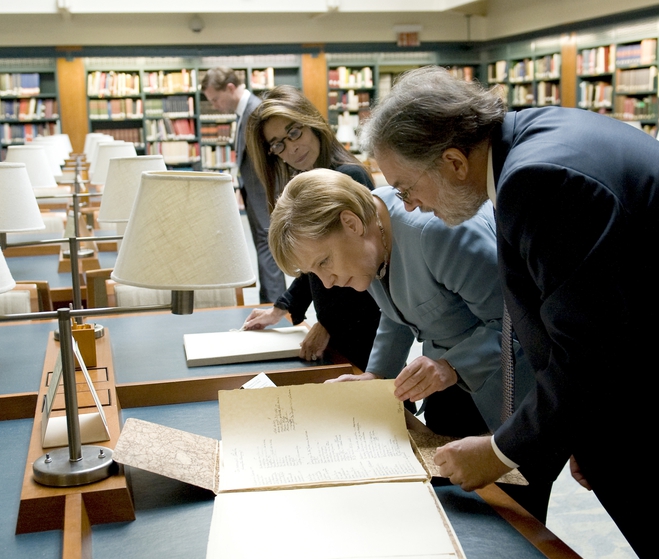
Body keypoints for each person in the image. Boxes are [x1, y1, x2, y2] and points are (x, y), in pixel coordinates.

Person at [361, 65, 656, 559]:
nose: (406, 205)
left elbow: (586, 353)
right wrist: (580, 432)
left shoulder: (539, 181)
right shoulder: (531, 143)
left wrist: (500, 451)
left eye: (406, 186)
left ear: (453, 161)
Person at [269, 168, 550, 520]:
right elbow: (401, 308)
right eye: (315, 272)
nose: (326, 283)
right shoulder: (372, 236)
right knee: (455, 513)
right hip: (450, 387)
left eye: (324, 262)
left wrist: (451, 366)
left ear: (351, 223)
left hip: (517, 401)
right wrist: (376, 376)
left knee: (517, 528)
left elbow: (520, 324)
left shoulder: (438, 232)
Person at [240, 86, 381, 370]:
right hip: (338, 327)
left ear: (312, 122)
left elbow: (362, 265)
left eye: (295, 132)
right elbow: (314, 264)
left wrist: (326, 324)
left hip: (363, 326)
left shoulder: (348, 176)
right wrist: (281, 307)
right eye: (278, 144)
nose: (292, 148)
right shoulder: (307, 182)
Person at [201, 67, 286, 304]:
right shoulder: (243, 114)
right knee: (263, 251)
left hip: (267, 195)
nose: (215, 105)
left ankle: (274, 306)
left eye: (216, 99)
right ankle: (267, 302)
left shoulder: (257, 111)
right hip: (255, 194)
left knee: (269, 253)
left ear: (230, 88)